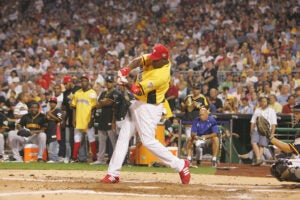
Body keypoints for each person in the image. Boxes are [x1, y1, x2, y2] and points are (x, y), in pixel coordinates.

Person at [101, 44, 191, 184]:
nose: (152, 61)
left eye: (156, 59)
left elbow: (138, 90)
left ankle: (180, 164)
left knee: (148, 141)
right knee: (123, 137)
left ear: (164, 59)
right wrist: (126, 69)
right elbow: (139, 60)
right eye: (153, 58)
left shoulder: (161, 75)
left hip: (149, 107)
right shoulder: (156, 59)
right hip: (137, 103)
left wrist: (125, 83)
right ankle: (113, 173)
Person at [91, 75, 119, 165]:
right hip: (102, 119)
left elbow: (111, 104)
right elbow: (99, 104)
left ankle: (116, 160)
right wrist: (105, 103)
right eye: (107, 82)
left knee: (113, 142)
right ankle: (100, 159)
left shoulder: (115, 93)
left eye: (110, 82)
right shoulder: (103, 93)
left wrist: (105, 103)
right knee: (101, 141)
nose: (108, 83)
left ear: (113, 83)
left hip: (111, 119)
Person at [70, 74, 98, 163]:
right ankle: (74, 157)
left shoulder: (92, 93)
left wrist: (92, 120)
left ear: (88, 82)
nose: (83, 82)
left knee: (91, 138)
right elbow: (74, 107)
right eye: (82, 81)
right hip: (78, 119)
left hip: (88, 119)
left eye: (85, 80)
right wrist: (73, 119)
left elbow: (94, 108)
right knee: (77, 138)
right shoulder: (77, 93)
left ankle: (95, 157)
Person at [250, 96, 277, 166]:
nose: (263, 103)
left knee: (261, 145)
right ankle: (259, 159)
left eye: (265, 101)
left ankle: (258, 159)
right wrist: (251, 130)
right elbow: (253, 121)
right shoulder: (257, 110)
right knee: (253, 142)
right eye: (262, 101)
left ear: (267, 102)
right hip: (256, 129)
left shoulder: (271, 110)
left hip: (266, 130)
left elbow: (274, 123)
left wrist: (272, 133)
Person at [61, 75, 81, 163]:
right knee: (71, 139)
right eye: (64, 83)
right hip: (70, 117)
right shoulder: (65, 93)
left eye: (66, 83)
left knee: (81, 139)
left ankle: (81, 157)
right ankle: (73, 157)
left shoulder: (79, 89)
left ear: (70, 82)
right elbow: (64, 107)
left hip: (80, 117)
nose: (65, 85)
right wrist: (64, 120)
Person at [45, 97, 63, 163]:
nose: (52, 104)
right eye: (51, 102)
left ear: (56, 104)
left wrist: (51, 115)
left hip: (55, 129)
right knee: (49, 145)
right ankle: (51, 158)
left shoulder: (58, 110)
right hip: (49, 130)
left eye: (53, 103)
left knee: (54, 144)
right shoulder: (48, 111)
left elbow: (60, 119)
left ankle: (54, 159)